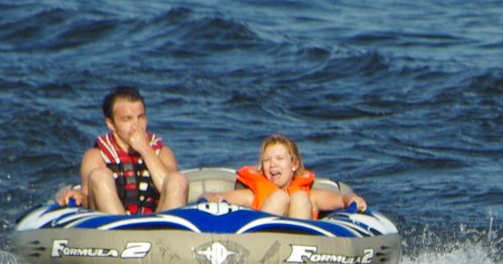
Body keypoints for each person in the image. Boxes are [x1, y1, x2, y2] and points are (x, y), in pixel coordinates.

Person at [60, 87, 189, 213]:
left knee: (178, 179)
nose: (136, 126)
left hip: (157, 225)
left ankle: (167, 232)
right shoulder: (95, 156)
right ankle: (121, 231)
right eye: (127, 119)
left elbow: (171, 189)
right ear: (111, 124)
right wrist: (78, 197)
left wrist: (145, 149)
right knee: (99, 176)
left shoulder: (162, 153)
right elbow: (87, 200)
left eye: (141, 117)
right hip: (113, 225)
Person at [203, 134, 367, 219]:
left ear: (294, 164)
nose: (273, 164)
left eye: (280, 159)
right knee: (279, 198)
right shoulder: (251, 195)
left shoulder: (312, 196)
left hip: (304, 251)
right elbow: (210, 197)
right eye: (267, 160)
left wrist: (353, 199)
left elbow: (343, 199)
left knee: (300, 198)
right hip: (264, 250)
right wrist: (214, 200)